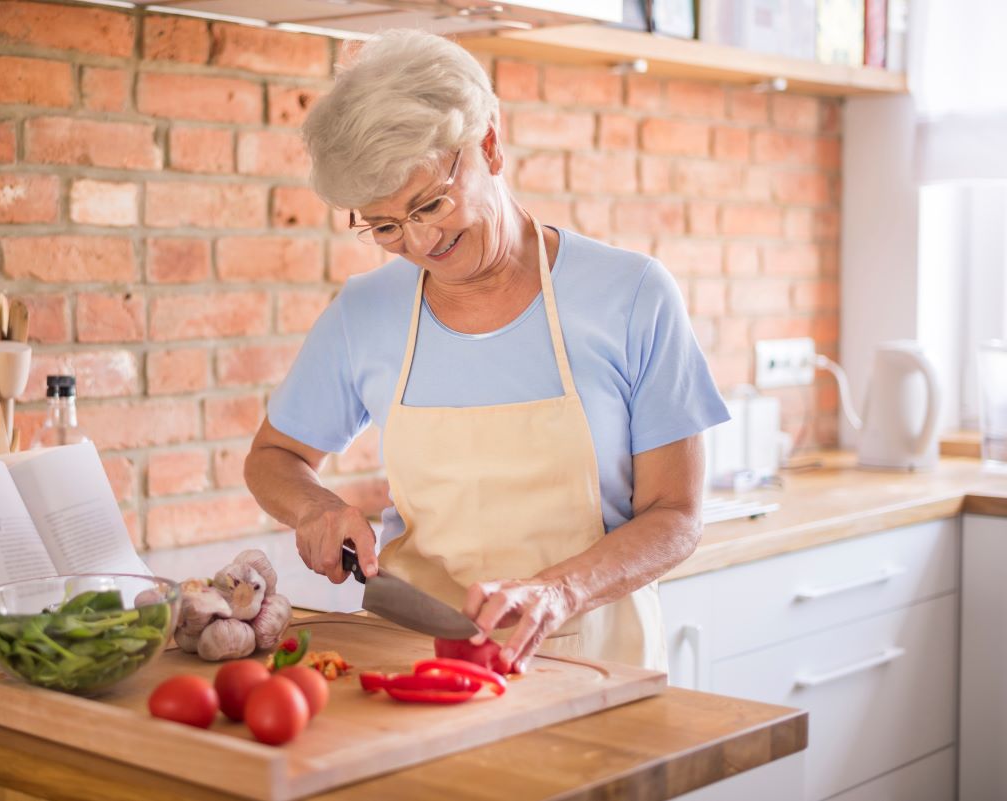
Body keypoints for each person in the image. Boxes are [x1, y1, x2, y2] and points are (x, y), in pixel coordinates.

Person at [244, 29, 729, 673]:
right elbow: (273, 457)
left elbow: (676, 515)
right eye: (385, 226)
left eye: (430, 204)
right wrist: (318, 508)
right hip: (413, 658)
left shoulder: (632, 294)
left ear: (490, 145)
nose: (420, 242)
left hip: (591, 661)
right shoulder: (363, 313)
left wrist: (559, 591)